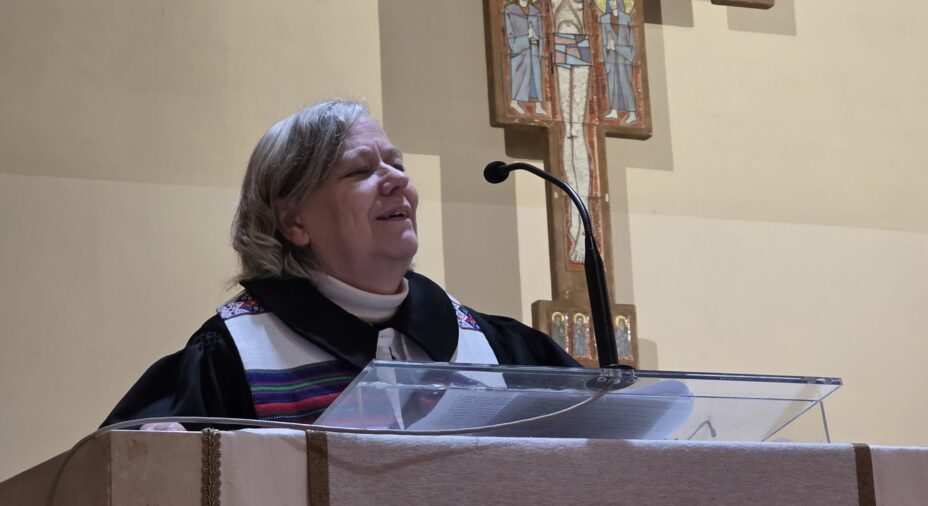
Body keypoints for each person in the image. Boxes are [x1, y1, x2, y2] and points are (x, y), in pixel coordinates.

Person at [103, 99, 578, 428]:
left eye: (397, 164)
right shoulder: (231, 357)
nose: (396, 180)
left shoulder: (495, 347)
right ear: (294, 221)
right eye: (361, 170)